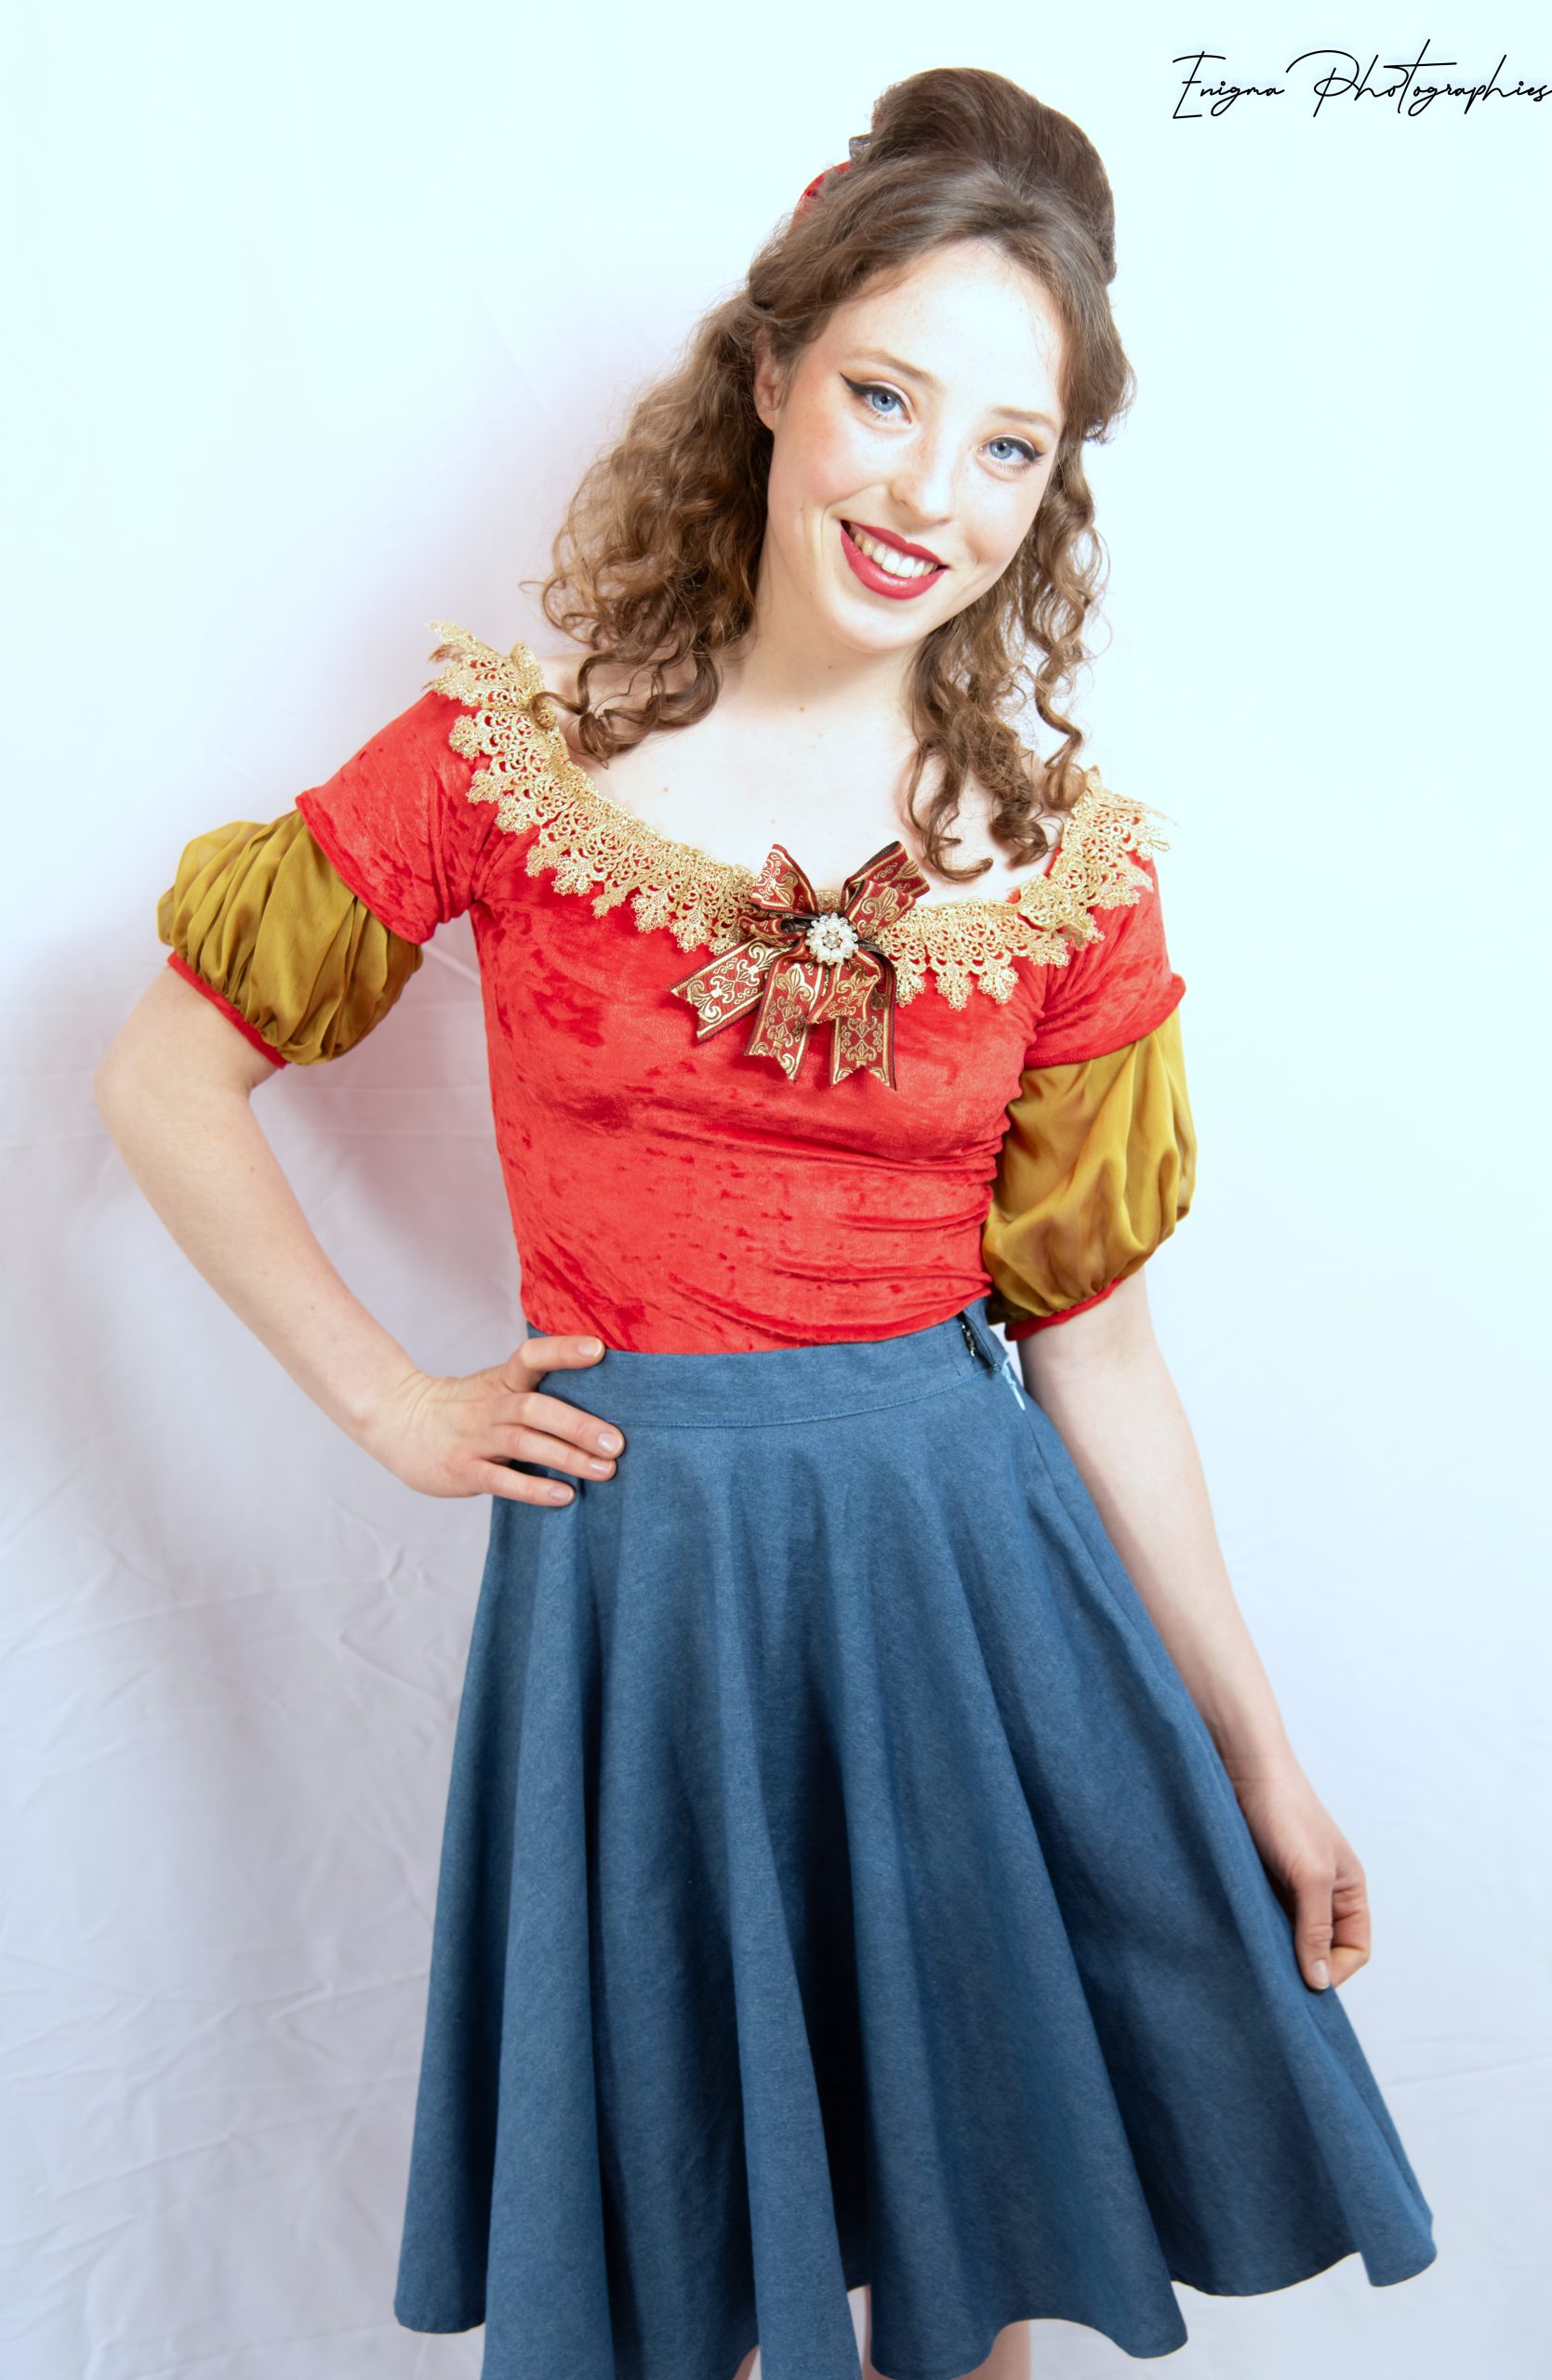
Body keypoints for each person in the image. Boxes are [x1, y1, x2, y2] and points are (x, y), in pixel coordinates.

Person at [95, 63, 1436, 2380]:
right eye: (887, 398)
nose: (929, 492)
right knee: (682, 2267)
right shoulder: (511, 763)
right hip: (646, 1601)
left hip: (969, 1600)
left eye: (1004, 445)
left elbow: (1098, 1348)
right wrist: (393, 1403)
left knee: (969, 2259)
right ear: (770, 372)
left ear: (1050, 486)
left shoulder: (1063, 876)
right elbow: (162, 1073)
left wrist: (1259, 1751)